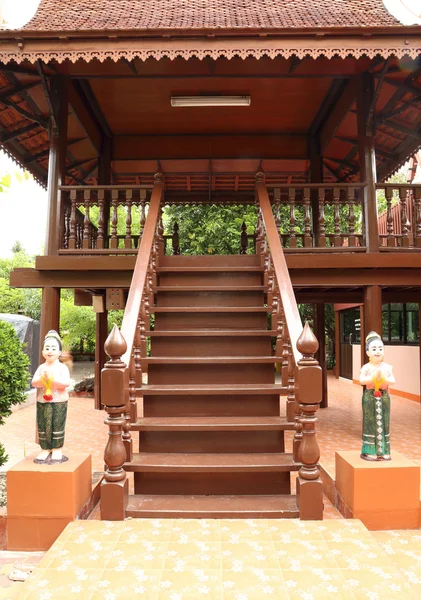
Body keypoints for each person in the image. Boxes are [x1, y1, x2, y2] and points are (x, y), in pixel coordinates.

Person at [31, 330, 71, 464]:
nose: (50, 351)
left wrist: (52, 381)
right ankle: (45, 448)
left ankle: (57, 447)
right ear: (42, 352)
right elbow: (34, 382)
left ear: (59, 352)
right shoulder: (42, 367)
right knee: (43, 424)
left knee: (57, 423)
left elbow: (65, 383)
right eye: (47, 348)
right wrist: (44, 379)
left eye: (53, 348)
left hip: (58, 400)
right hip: (43, 400)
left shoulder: (62, 367)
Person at [359, 331, 395, 461]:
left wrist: (383, 378)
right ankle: (369, 451)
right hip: (369, 396)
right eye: (374, 349)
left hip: (384, 396)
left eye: (380, 348)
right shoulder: (366, 367)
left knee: (384, 421)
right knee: (370, 422)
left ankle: (384, 451)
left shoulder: (387, 367)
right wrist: (374, 378)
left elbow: (393, 381)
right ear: (368, 352)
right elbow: (362, 380)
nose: (377, 351)